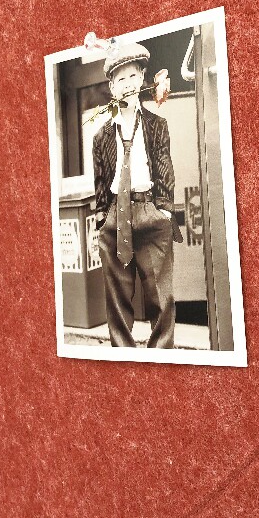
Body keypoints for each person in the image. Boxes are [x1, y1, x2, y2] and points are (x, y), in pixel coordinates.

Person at [92, 41, 183, 348]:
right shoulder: (102, 135)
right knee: (117, 298)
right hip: (115, 216)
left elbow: (165, 166)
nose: (128, 84)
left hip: (150, 211)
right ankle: (123, 355)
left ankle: (161, 355)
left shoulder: (157, 125)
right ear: (112, 87)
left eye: (133, 76)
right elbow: (101, 181)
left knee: (161, 295)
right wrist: (102, 222)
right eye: (121, 79)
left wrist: (164, 211)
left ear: (143, 78)